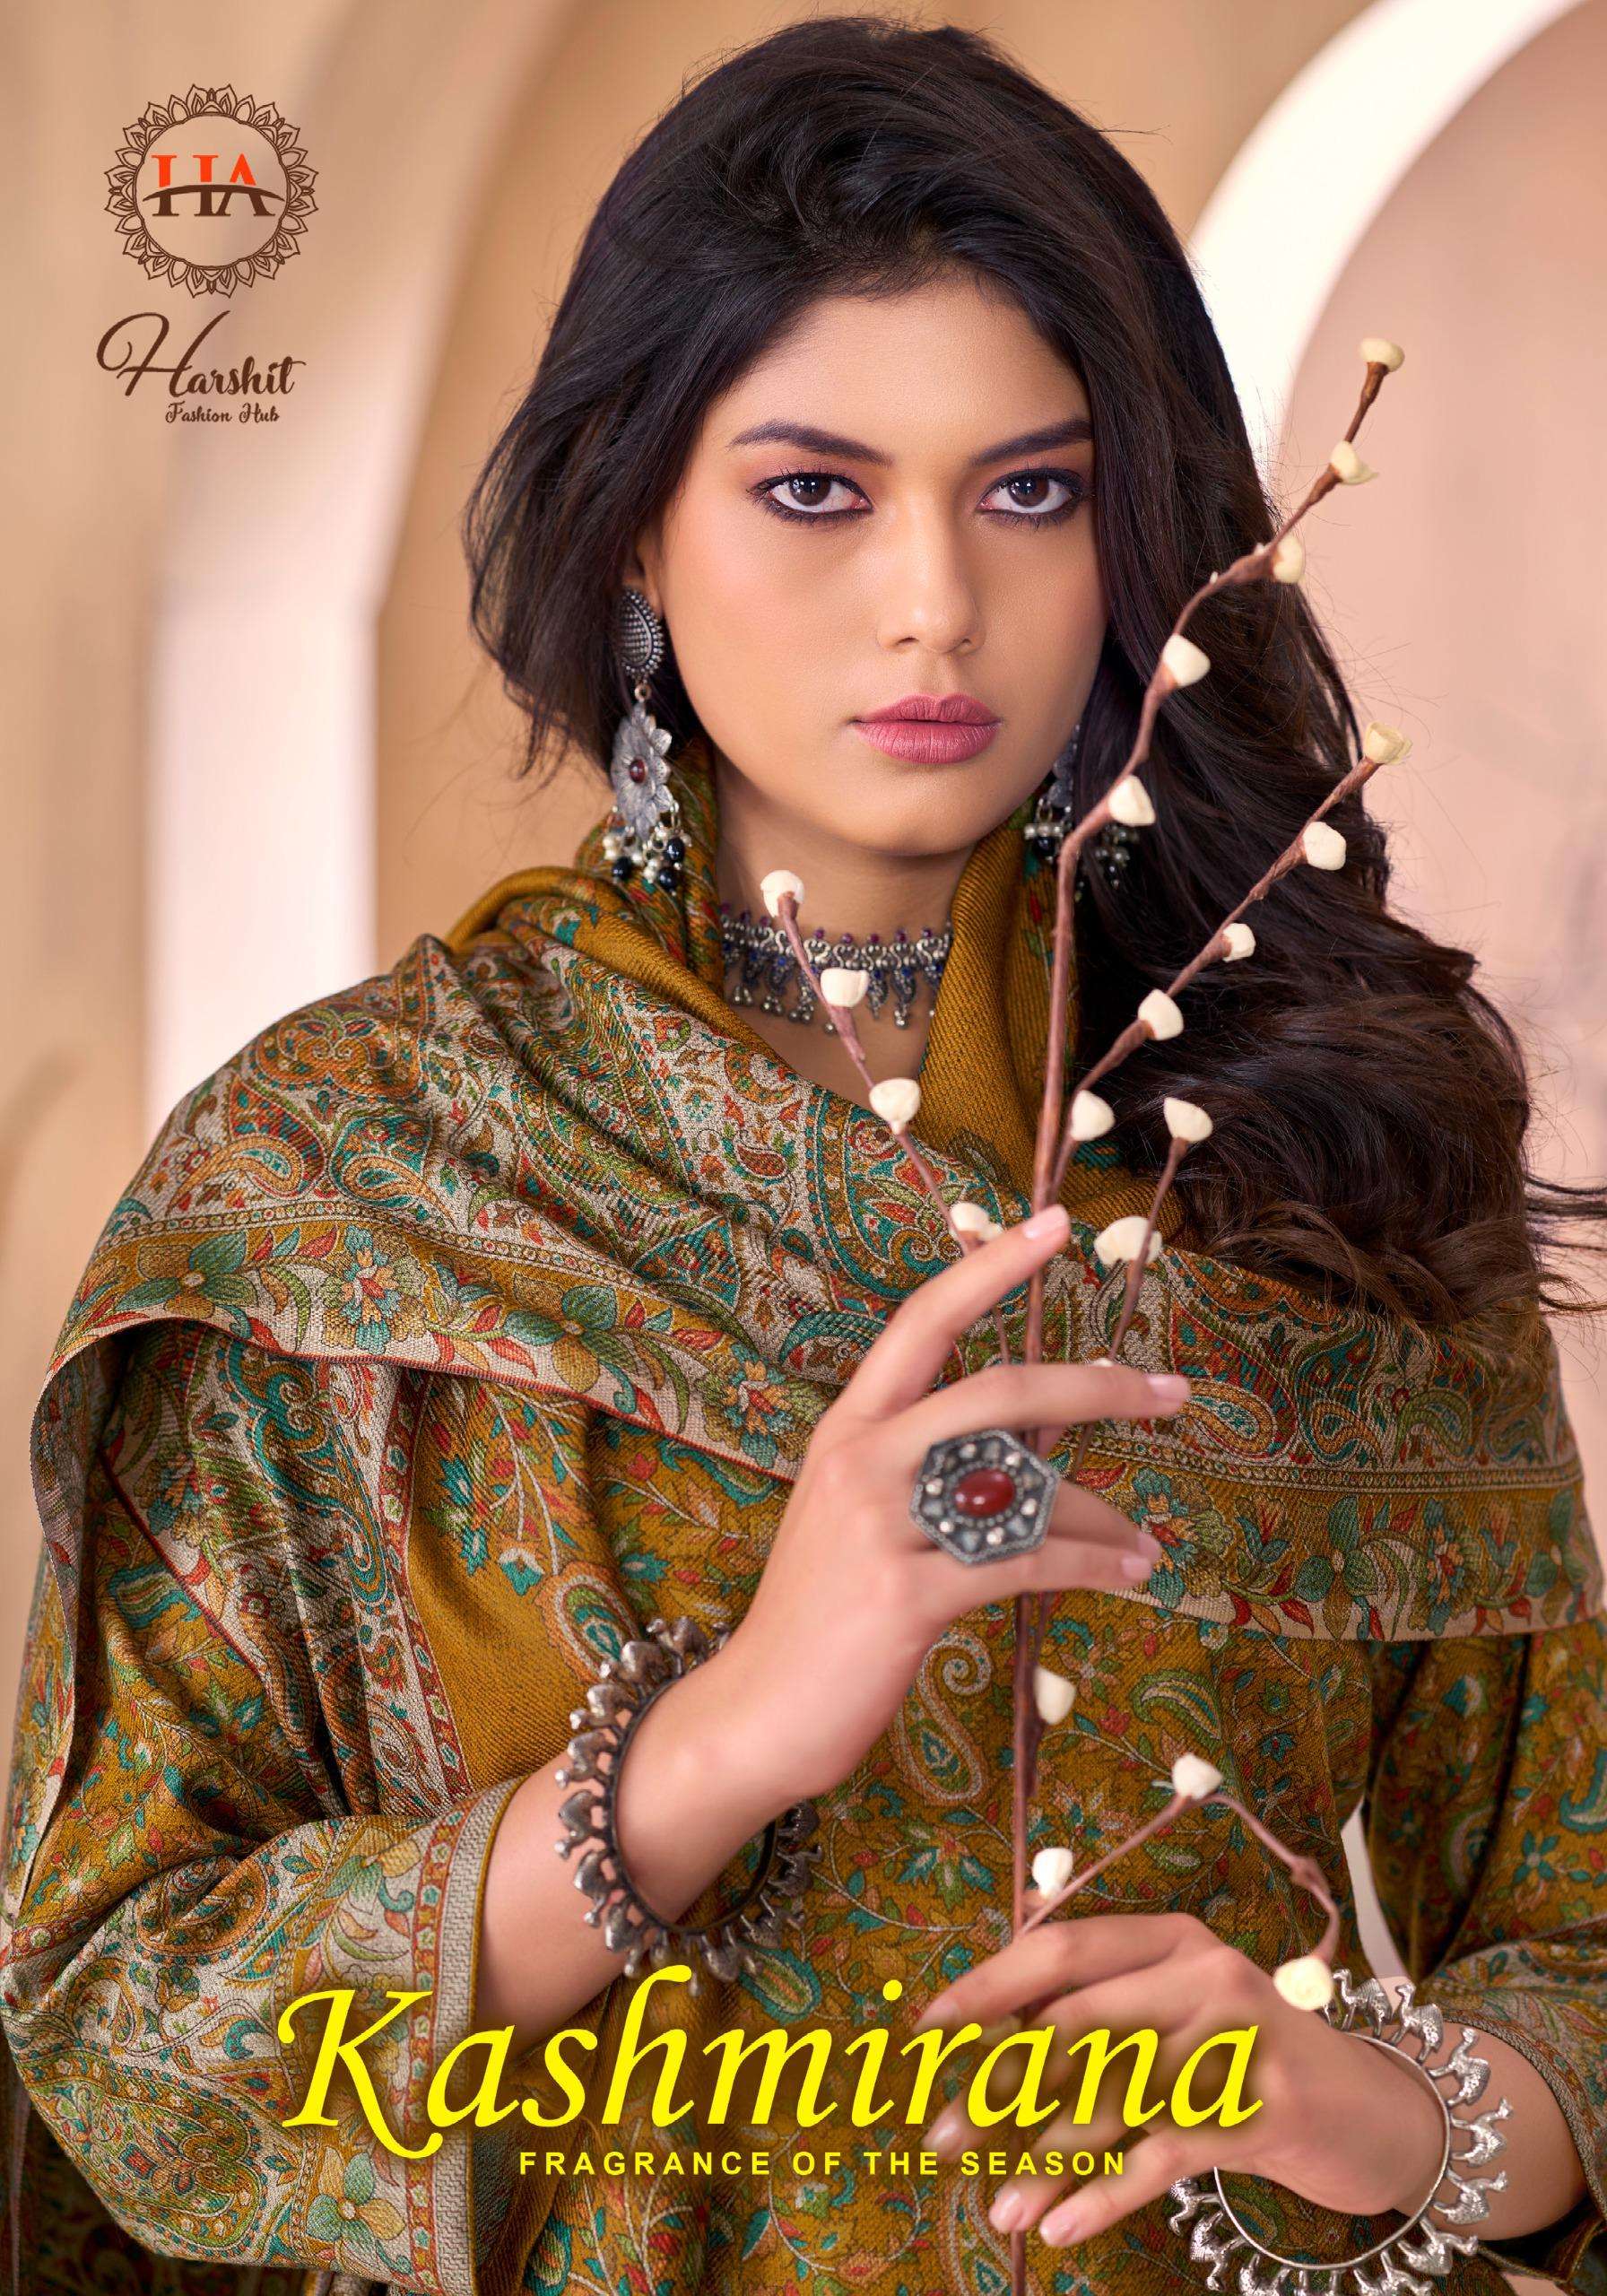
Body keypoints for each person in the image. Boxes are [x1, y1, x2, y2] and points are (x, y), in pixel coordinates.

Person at [3, 15, 1604, 2295]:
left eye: (1027, 491)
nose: (932, 600)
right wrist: (715, 1744)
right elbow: (126, 2028)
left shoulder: (1324, 1142)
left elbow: (1570, 1939)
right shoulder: (351, 1179)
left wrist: (1390, 2107)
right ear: (637, 533)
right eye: (814, 492)